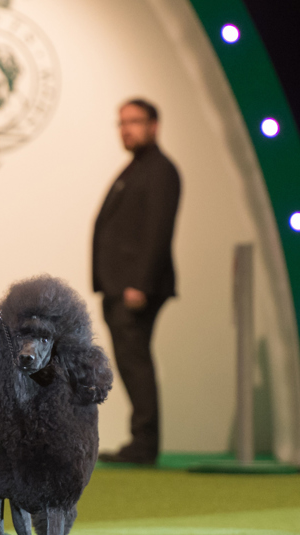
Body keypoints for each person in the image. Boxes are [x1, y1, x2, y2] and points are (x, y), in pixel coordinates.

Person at [93, 98, 180, 466]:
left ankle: (144, 445)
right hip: (122, 286)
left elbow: (158, 232)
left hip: (135, 289)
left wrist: (139, 284)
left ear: (154, 125)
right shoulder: (139, 168)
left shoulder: (159, 170)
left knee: (136, 363)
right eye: (121, 122)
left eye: (134, 121)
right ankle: (141, 441)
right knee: (131, 363)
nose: (126, 129)